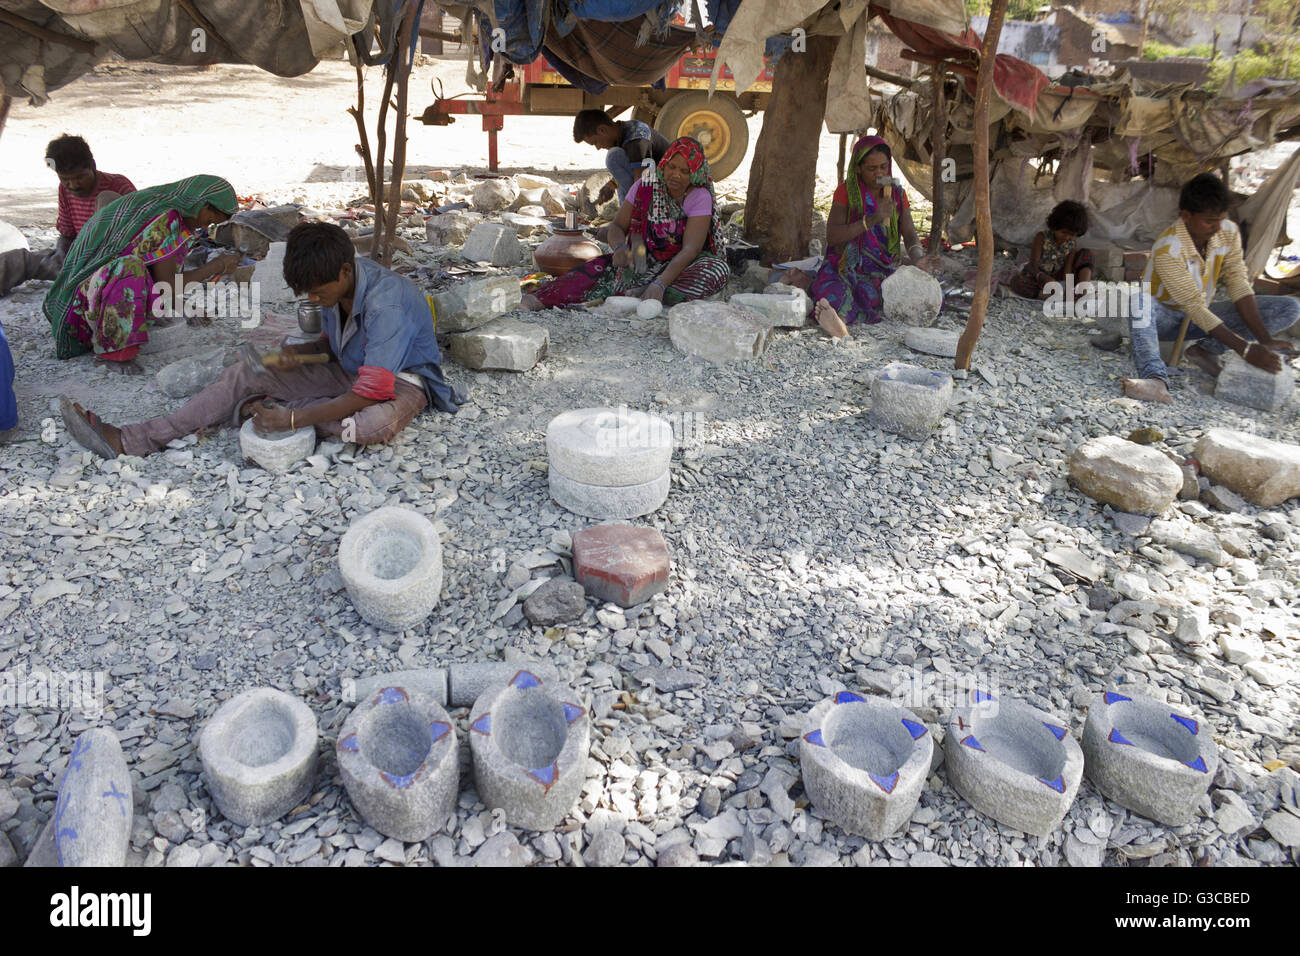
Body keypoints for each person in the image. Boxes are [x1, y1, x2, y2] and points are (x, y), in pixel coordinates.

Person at [61, 221, 460, 460]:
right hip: (350, 370)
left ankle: (281, 408)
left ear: (343, 271)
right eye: (306, 294)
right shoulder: (332, 284)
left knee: (369, 426)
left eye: (318, 293)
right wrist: (291, 357)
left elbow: (374, 389)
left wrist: (292, 419)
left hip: (400, 384)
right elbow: (328, 347)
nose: (313, 300)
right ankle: (133, 439)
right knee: (249, 368)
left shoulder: (385, 305)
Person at [1122, 173, 1299, 404]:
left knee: (1288, 308)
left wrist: (1264, 340)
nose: (1216, 227)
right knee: (1139, 302)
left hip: (1200, 318)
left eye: (1220, 219)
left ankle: (1205, 351)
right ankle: (1155, 378)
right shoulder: (1168, 248)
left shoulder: (1228, 231)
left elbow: (1238, 282)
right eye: (1209, 221)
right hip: (1165, 320)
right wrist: (1245, 349)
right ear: (1186, 216)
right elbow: (1193, 306)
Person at [42, 175, 242, 374]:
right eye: (209, 220)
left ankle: (137, 320)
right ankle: (114, 352)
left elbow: (157, 270)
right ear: (203, 205)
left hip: (96, 292)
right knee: (129, 268)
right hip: (79, 316)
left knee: (133, 268)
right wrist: (218, 265)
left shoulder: (167, 209)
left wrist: (183, 306)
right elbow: (167, 285)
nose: (206, 227)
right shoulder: (165, 219)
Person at [521, 137, 729, 311]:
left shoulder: (699, 196)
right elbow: (617, 227)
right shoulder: (645, 186)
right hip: (641, 260)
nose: (676, 174)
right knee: (597, 271)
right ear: (663, 164)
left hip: (682, 265)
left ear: (695, 174)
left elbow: (690, 249)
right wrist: (620, 247)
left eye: (685, 171)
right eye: (672, 167)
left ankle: (648, 291)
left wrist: (660, 282)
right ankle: (538, 300)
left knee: (716, 270)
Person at [810, 134, 938, 338]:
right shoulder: (846, 192)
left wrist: (917, 258)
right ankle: (838, 322)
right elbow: (833, 237)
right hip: (845, 266)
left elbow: (910, 233)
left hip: (882, 269)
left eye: (884, 167)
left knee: (891, 294)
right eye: (872, 169)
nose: (879, 174)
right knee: (833, 291)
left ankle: (842, 316)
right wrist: (873, 218)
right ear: (858, 168)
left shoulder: (896, 193)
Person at [0, 134, 138, 297]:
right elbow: (67, 235)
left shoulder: (117, 185)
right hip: (77, 262)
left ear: (92, 166)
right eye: (65, 179)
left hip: (116, 262)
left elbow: (141, 231)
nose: (73, 185)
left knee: (106, 198)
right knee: (17, 260)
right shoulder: (64, 190)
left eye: (80, 177)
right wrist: (61, 255)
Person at [573, 109, 671, 205]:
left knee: (613, 156)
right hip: (657, 181)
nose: (598, 148)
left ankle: (631, 216)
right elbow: (631, 170)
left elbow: (640, 183)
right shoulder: (626, 129)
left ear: (602, 130)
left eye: (595, 142)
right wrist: (612, 185)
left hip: (669, 191)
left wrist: (629, 214)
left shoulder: (636, 141)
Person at [1008, 200, 1094, 300]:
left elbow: (1068, 269)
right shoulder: (1041, 237)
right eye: (1064, 232)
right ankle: (1052, 296)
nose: (1067, 237)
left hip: (1059, 280)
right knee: (1017, 282)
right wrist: (1043, 277)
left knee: (1087, 254)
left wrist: (1068, 287)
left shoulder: (1072, 244)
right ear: (1054, 226)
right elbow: (1032, 266)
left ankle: (1082, 295)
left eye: (1071, 234)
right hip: (1040, 278)